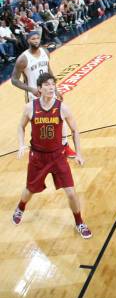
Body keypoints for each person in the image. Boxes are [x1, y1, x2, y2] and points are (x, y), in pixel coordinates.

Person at [12, 73, 91, 239]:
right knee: (30, 190)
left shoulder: (62, 107)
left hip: (57, 156)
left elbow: (75, 130)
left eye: (52, 84)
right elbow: (20, 126)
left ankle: (79, 222)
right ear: (39, 89)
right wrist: (21, 144)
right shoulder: (30, 107)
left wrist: (78, 153)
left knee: (71, 192)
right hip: (38, 157)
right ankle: (20, 207)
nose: (50, 87)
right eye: (46, 85)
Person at [11, 30, 77, 158]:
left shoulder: (45, 52)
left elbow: (49, 70)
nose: (36, 40)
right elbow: (14, 80)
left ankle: (64, 146)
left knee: (59, 118)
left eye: (37, 38)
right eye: (33, 39)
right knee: (38, 124)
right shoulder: (23, 59)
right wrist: (32, 89)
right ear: (28, 41)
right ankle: (38, 147)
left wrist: (55, 88)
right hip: (34, 96)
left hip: (49, 91)